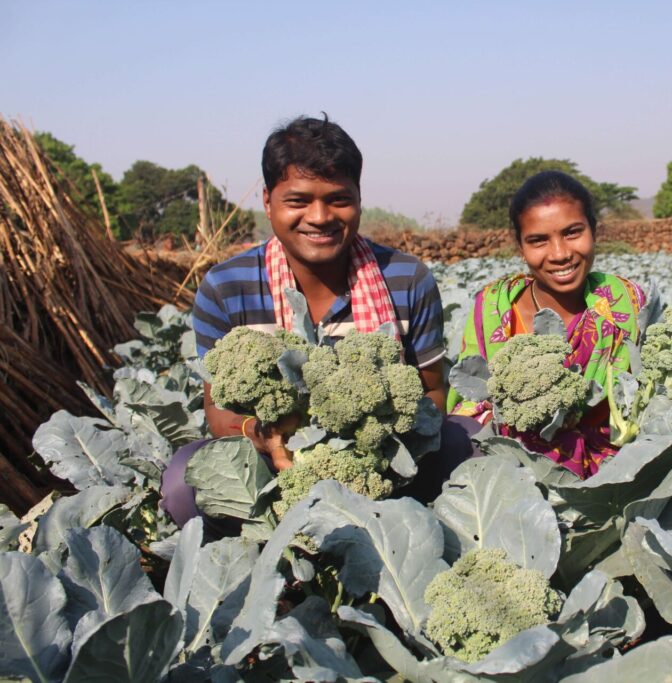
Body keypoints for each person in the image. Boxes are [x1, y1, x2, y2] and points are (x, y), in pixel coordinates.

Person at [162, 115, 453, 526]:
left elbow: (434, 393)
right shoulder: (227, 286)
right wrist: (264, 435)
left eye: (338, 199)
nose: (319, 217)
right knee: (183, 482)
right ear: (268, 201)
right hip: (274, 467)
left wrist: (376, 443)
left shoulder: (406, 279)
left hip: (385, 466)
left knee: (465, 445)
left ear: (359, 198)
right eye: (298, 201)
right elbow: (218, 411)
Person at [447, 170, 646, 478]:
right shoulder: (493, 307)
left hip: (615, 465)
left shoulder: (625, 302)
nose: (560, 254)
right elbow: (471, 405)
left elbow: (652, 396)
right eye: (538, 240)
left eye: (572, 233)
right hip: (509, 465)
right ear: (520, 245)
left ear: (594, 230)